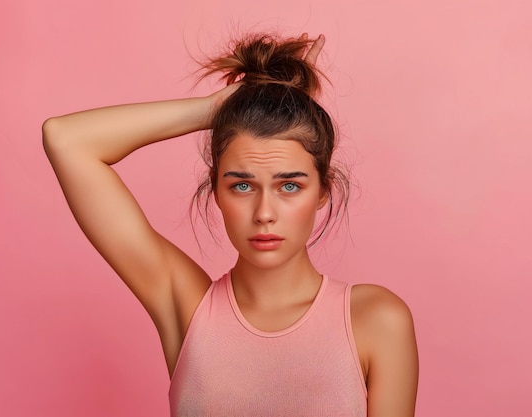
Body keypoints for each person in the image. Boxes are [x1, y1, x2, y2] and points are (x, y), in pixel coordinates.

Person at [43, 32, 418, 417]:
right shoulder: (188, 309)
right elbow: (66, 139)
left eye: (290, 185)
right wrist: (212, 110)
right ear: (215, 192)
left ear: (323, 190)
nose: (264, 212)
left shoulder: (376, 320)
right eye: (242, 185)